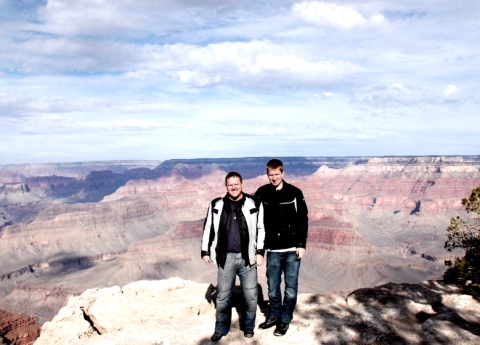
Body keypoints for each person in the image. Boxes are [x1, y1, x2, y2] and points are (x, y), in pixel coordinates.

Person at [201, 171, 265, 342]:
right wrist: (205, 251)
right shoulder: (216, 205)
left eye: (236, 184)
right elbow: (208, 228)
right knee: (223, 295)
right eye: (230, 185)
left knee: (251, 295)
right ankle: (221, 328)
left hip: (247, 257)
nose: (234, 187)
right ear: (226, 186)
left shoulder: (254, 203)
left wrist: (260, 252)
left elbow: (261, 228)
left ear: (242, 184)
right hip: (225, 257)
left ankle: (248, 326)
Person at [254, 159, 308, 336]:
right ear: (267, 174)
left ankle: (285, 320)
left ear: (282, 173)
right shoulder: (262, 193)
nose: (274, 178)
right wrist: (259, 251)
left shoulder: (294, 193)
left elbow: (302, 220)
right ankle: (274, 315)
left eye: (277, 174)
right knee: (273, 287)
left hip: (292, 248)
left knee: (291, 288)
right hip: (273, 249)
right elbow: (256, 222)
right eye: (271, 175)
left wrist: (301, 245)